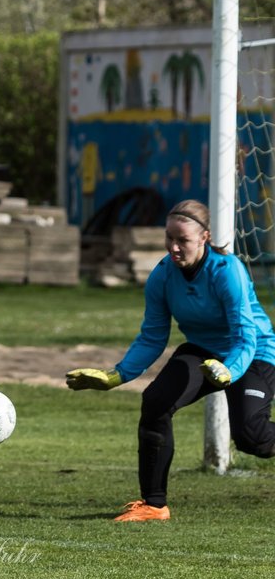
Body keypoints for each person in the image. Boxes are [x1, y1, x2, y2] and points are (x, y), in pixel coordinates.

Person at [66, 199, 275, 521]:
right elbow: (152, 337)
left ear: (204, 237)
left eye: (183, 240)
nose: (174, 248)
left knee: (252, 438)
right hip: (203, 351)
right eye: (169, 238)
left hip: (253, 353)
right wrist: (116, 376)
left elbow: (244, 336)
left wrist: (229, 370)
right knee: (156, 401)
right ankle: (153, 504)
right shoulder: (162, 275)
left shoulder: (227, 271)